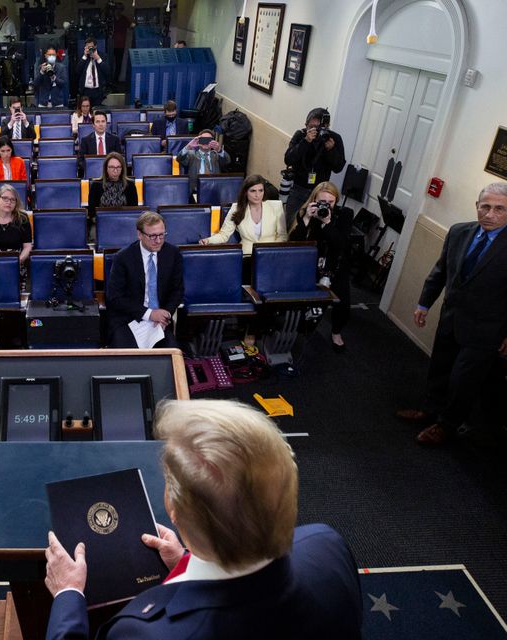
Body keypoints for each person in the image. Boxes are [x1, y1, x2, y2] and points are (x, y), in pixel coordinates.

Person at [44, 398, 363, 639]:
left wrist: (68, 595)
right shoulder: (326, 544)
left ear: (173, 508)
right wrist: (184, 561)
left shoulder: (145, 632)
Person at [397, 182, 507, 446]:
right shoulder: (459, 232)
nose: (490, 214)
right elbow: (440, 272)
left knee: (463, 380)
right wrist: (424, 304)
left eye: (499, 209)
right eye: (485, 206)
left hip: (487, 331)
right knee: (439, 368)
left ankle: (446, 425)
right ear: (477, 206)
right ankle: (430, 410)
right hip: (451, 318)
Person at [289, 181, 353, 352]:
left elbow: (341, 244)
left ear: (336, 202)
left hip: (337, 265)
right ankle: (305, 327)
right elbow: (295, 242)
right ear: (314, 199)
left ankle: (336, 332)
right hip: (312, 266)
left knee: (343, 305)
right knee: (312, 306)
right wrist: (307, 218)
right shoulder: (307, 212)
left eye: (330, 202)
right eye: (322, 201)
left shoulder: (344, 214)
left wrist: (327, 223)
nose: (326, 205)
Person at [105, 211, 184, 349]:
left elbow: (177, 290)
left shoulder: (173, 254)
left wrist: (165, 313)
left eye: (161, 235)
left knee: (171, 357)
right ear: (140, 234)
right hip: (129, 319)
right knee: (128, 360)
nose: (158, 240)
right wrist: (149, 314)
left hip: (160, 321)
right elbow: (114, 297)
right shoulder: (123, 258)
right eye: (152, 236)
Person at [283, 107, 346, 229]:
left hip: (321, 194)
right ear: (306, 125)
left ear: (326, 126)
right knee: (290, 225)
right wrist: (306, 141)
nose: (314, 131)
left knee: (314, 227)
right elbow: (288, 159)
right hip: (299, 189)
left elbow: (338, 167)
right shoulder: (300, 135)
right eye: (311, 127)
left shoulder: (334, 138)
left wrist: (330, 150)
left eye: (319, 128)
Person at [201, 174, 287, 254]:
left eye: (260, 190)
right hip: (247, 255)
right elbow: (224, 235)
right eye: (253, 191)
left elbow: (282, 236)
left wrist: (274, 252)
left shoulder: (276, 206)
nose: (257, 195)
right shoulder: (236, 208)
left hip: (271, 254)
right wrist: (208, 240)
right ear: (245, 192)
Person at [87, 152, 137, 221]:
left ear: (122, 168)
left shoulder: (130, 186)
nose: (115, 170)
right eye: (112, 167)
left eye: (118, 167)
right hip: (101, 223)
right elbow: (91, 213)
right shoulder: (96, 185)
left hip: (124, 222)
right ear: (106, 168)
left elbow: (133, 212)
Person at [78, 37, 109, 105]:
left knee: (96, 111)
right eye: (87, 47)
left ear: (95, 46)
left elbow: (107, 71)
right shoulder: (83, 57)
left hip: (98, 90)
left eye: (91, 47)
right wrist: (85, 56)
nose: (89, 49)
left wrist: (98, 58)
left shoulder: (103, 56)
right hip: (85, 91)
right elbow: (77, 71)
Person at [113, 14, 131, 84]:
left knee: (118, 63)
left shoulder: (124, 19)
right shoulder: (111, 19)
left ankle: (115, 81)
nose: (118, 11)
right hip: (111, 44)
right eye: (117, 8)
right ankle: (110, 80)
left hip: (120, 45)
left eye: (120, 9)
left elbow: (130, 26)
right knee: (110, 63)